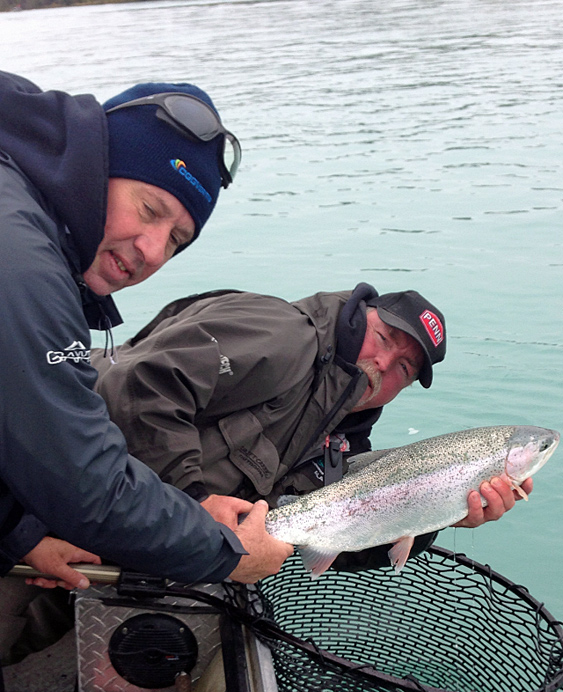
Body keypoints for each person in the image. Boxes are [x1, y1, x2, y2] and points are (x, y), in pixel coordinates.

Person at [0, 72, 292, 611]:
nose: (154, 251)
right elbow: (85, 485)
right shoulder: (23, 265)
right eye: (149, 209)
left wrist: (18, 534)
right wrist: (225, 551)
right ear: (99, 166)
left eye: (178, 239)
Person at [93, 281, 532, 572]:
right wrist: (194, 501)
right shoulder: (282, 335)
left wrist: (441, 514)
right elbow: (138, 386)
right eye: (383, 340)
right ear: (359, 315)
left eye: (403, 368)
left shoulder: (344, 442)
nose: (382, 364)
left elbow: (332, 535)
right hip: (73, 490)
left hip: (154, 545)